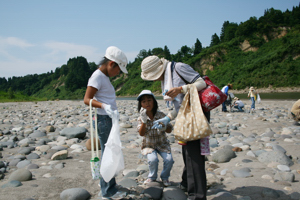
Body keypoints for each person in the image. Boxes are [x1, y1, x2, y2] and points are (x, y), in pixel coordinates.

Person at [141, 55, 208, 200]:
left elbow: (201, 83)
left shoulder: (178, 68)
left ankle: (197, 195)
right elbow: (178, 105)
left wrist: (181, 89)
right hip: (185, 115)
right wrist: (167, 118)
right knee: (187, 152)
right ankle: (186, 184)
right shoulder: (165, 79)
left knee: (194, 155)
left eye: (153, 76)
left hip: (195, 115)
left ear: (159, 69)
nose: (153, 79)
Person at [83, 46, 128, 200]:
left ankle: (111, 186)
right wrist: (104, 106)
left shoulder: (104, 77)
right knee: (107, 153)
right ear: (111, 64)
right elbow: (87, 99)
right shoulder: (97, 76)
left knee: (111, 152)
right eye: (118, 70)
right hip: (103, 119)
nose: (118, 73)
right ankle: (107, 191)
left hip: (108, 118)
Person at [136, 90, 174, 187]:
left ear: (154, 101)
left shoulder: (160, 114)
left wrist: (165, 126)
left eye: (149, 100)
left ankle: (165, 177)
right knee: (153, 160)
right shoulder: (141, 117)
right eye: (144, 101)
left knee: (169, 160)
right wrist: (144, 121)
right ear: (141, 104)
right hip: (149, 144)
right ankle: (152, 177)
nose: (147, 103)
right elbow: (141, 133)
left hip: (162, 143)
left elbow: (169, 130)